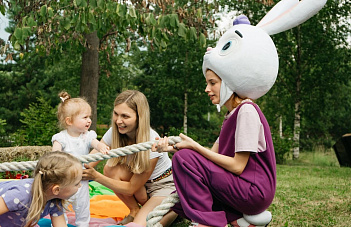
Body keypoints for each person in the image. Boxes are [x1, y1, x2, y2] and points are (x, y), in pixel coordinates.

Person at [155, 15, 279, 227]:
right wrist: (173, 148)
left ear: (230, 81)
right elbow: (209, 161)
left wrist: (192, 147)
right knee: (186, 163)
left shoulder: (247, 110)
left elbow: (238, 167)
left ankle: (208, 223)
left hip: (254, 191)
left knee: (186, 160)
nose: (207, 89)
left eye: (212, 83)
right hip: (242, 187)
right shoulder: (232, 115)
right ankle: (238, 220)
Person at [82, 90, 178, 227]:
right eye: (116, 114)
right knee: (110, 169)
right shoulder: (115, 131)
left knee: (138, 225)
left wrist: (96, 177)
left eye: (125, 116)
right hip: (141, 187)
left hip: (162, 186)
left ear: (139, 117)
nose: (118, 121)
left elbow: (131, 189)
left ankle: (172, 210)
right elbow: (89, 160)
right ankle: (134, 210)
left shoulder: (152, 141)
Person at [51, 91, 110, 226]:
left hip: (81, 179)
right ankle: (61, 223)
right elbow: (54, 154)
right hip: (65, 179)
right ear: (69, 121)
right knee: (61, 205)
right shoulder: (61, 138)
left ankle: (82, 224)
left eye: (89, 117)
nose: (89, 120)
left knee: (83, 206)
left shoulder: (87, 136)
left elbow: (95, 143)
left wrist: (101, 147)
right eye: (84, 117)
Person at [0, 151, 83, 227]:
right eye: (76, 184)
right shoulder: (20, 195)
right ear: (56, 190)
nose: (80, 186)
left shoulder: (55, 200)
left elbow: (60, 225)